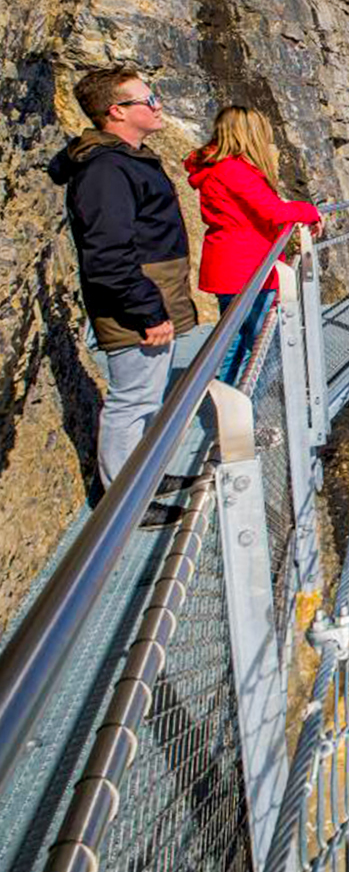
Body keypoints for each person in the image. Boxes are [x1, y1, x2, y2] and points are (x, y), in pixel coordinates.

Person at [47, 67, 199, 529]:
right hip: (137, 304)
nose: (157, 106)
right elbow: (107, 254)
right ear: (117, 111)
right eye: (147, 99)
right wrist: (148, 310)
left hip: (150, 295)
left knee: (147, 397)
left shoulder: (122, 160)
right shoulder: (105, 170)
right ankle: (123, 502)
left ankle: (143, 476)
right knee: (132, 400)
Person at [185, 107, 323, 384]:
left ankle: (229, 403)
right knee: (262, 343)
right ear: (250, 134)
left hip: (231, 264)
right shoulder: (233, 170)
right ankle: (253, 411)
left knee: (234, 340)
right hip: (248, 267)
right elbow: (273, 212)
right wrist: (309, 211)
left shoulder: (216, 169)